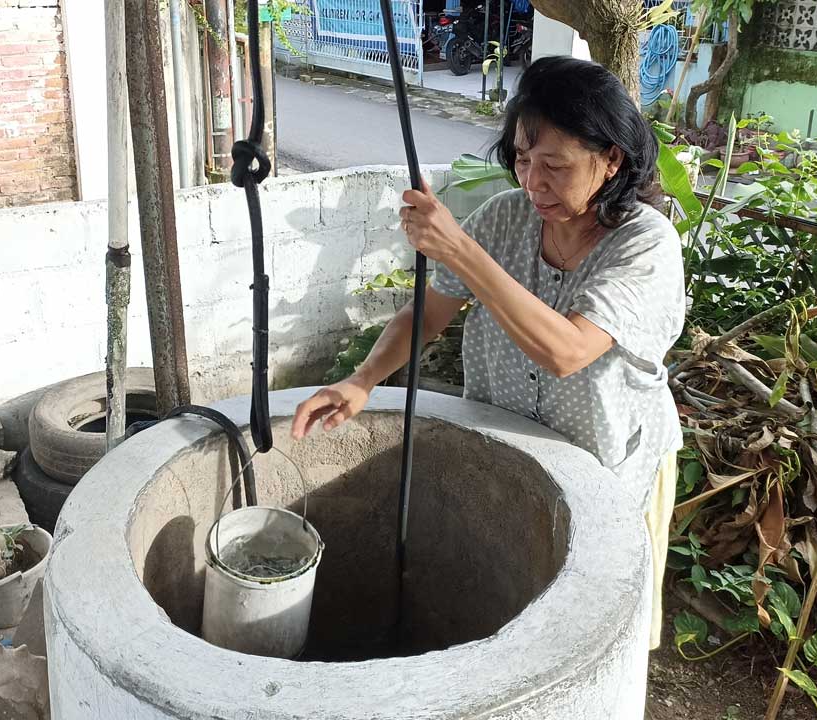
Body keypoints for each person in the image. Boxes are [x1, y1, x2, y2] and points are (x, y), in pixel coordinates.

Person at [290, 55, 686, 649]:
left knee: (594, 629)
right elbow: (428, 314)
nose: (533, 183)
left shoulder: (645, 244)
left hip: (609, 463)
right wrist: (363, 380)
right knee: (510, 599)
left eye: (555, 165)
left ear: (611, 160)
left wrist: (459, 250)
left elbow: (568, 351)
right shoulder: (505, 217)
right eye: (523, 161)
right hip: (511, 452)